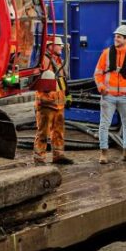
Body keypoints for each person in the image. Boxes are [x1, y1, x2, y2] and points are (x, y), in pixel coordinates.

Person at [94, 24, 126, 164]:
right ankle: (103, 153)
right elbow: (98, 73)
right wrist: (101, 87)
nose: (116, 38)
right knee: (104, 125)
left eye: (119, 37)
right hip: (108, 96)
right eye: (116, 36)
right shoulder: (106, 53)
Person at [34, 36, 74, 165]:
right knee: (43, 132)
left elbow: (62, 79)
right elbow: (38, 80)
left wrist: (67, 95)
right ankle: (39, 158)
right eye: (58, 44)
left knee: (58, 132)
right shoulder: (43, 61)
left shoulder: (57, 61)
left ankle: (58, 155)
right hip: (47, 103)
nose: (61, 46)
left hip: (58, 103)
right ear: (50, 46)